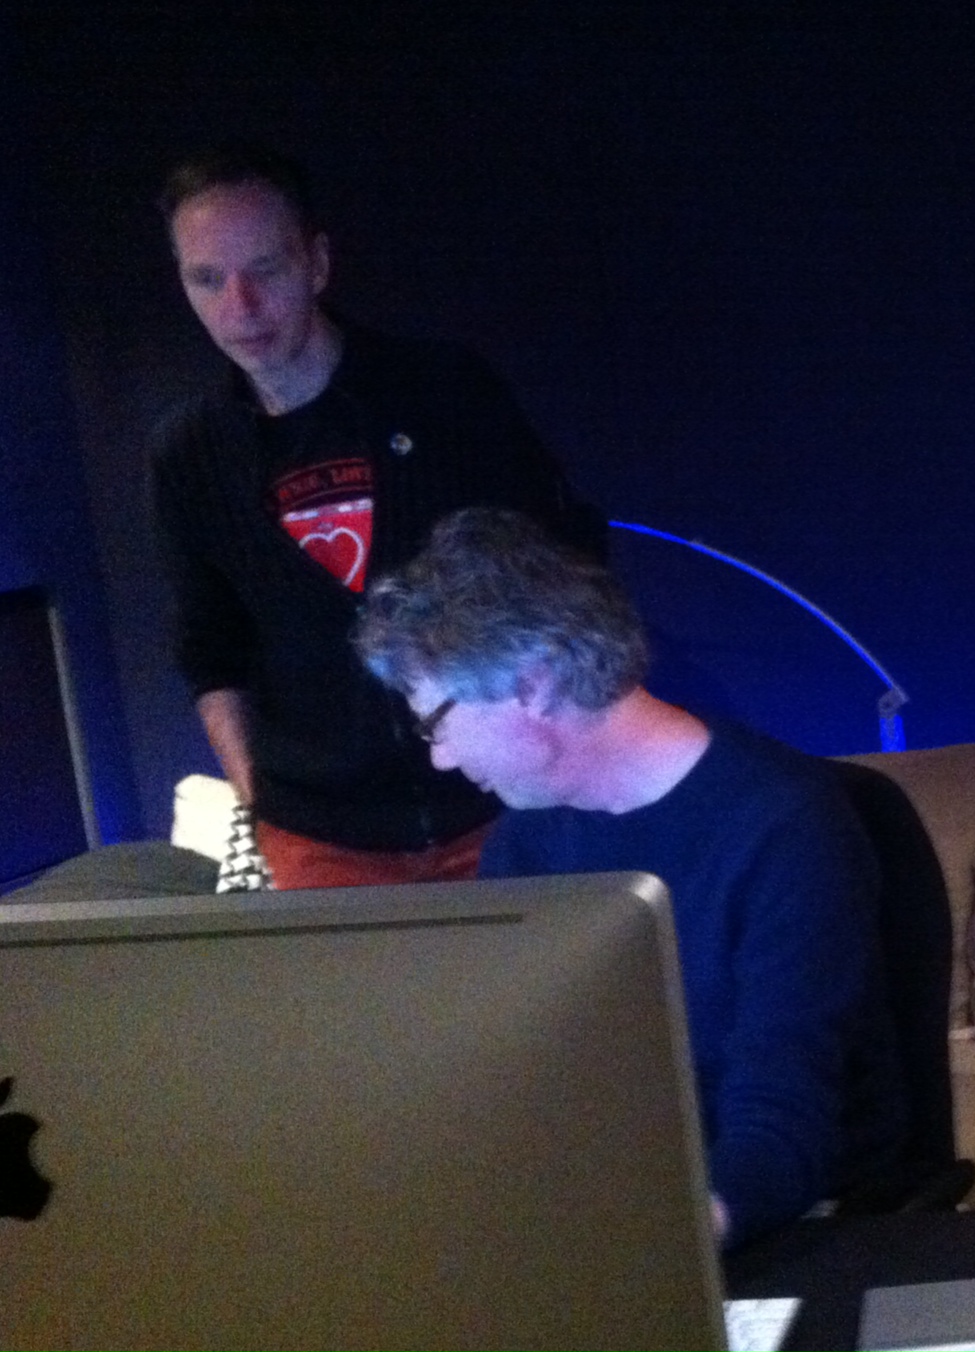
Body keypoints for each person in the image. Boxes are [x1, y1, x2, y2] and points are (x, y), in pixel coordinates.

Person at [353, 507, 906, 1249]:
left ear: (532, 685)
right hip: (634, 1199)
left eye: (435, 723)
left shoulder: (787, 827)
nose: (440, 758)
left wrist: (645, 1246)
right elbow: (531, 1079)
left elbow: (779, 1124)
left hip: (790, 1222)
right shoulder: (524, 843)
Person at [150, 144, 595, 889]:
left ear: (317, 263)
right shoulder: (188, 453)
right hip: (318, 838)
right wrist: (261, 807)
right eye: (207, 278)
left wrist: (553, 753)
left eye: (265, 270)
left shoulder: (445, 391)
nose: (240, 307)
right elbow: (210, 648)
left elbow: (564, 564)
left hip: (499, 807)